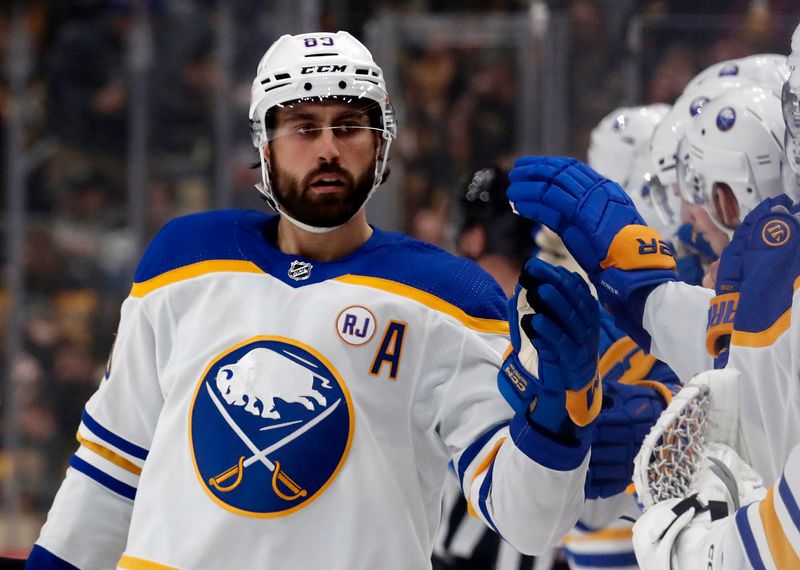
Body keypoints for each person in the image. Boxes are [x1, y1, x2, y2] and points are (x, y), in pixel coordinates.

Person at [27, 32, 601, 569]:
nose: (328, 149)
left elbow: (530, 525)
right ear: (266, 147)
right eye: (303, 127)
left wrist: (558, 415)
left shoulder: (449, 297)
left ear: (380, 143)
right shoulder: (184, 260)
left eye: (349, 126)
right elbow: (110, 468)